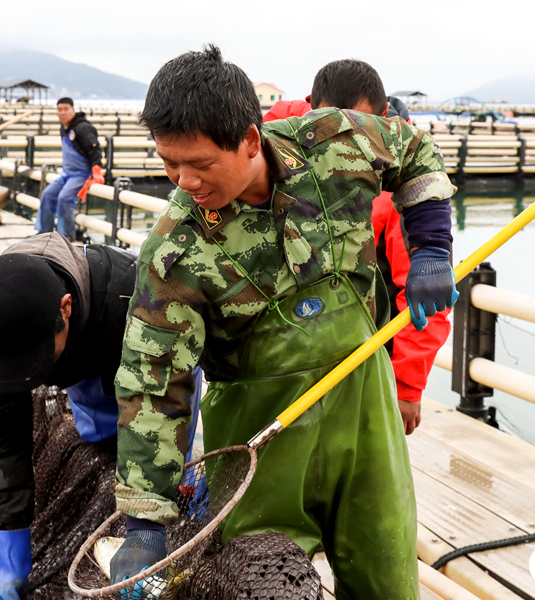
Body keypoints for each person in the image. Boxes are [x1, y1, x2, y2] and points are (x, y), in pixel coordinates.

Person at [110, 46, 457, 600]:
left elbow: (414, 151)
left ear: (250, 140)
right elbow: (152, 379)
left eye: (199, 165)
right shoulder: (174, 251)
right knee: (260, 584)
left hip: (363, 407)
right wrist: (145, 522)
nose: (184, 183)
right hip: (258, 444)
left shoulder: (334, 142)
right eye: (170, 165)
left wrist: (432, 245)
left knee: (387, 571)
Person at [0, 233, 202, 600]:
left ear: (65, 308)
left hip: (144, 353)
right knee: (96, 440)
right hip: (79, 359)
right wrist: (9, 565)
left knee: (154, 463)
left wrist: (145, 525)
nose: (31, 377)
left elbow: (160, 404)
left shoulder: (136, 296)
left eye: (36, 358)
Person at [263, 59, 452, 436]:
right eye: (333, 123)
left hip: (363, 359)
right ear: (309, 108)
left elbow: (423, 297)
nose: (346, 138)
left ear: (384, 117)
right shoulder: (266, 150)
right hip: (279, 359)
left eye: (361, 125)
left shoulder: (407, 193)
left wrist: (407, 387)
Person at [34, 98, 104, 239]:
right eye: (59, 110)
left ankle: (65, 236)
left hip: (81, 174)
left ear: (73, 110)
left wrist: (97, 171)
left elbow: (95, 150)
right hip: (66, 173)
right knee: (47, 194)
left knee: (65, 198)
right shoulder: (64, 128)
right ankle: (43, 233)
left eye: (66, 109)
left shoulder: (83, 127)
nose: (62, 113)